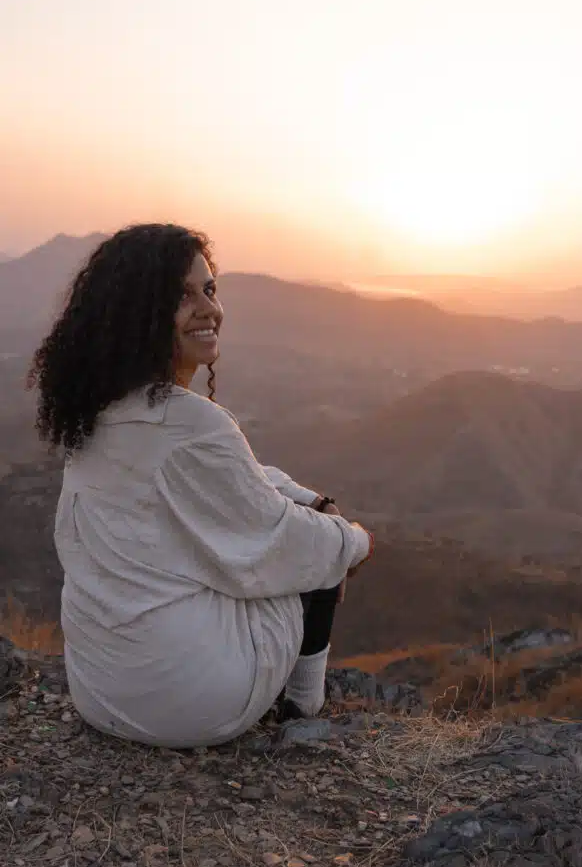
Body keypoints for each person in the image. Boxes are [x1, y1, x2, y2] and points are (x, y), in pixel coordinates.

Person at [28, 223, 373, 748]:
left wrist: (307, 499)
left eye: (208, 289)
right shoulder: (194, 427)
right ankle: (304, 704)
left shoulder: (98, 415)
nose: (207, 308)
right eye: (180, 296)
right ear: (136, 315)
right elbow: (287, 540)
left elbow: (239, 483)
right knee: (314, 552)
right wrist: (354, 539)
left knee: (291, 532)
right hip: (190, 707)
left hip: (101, 693)